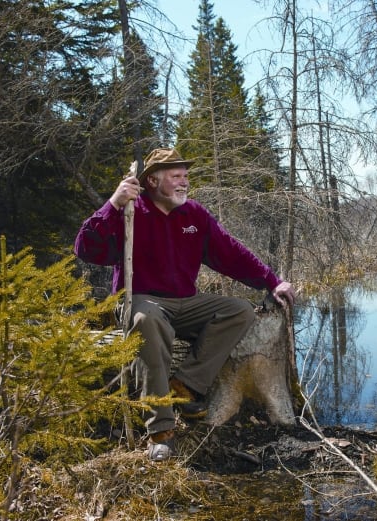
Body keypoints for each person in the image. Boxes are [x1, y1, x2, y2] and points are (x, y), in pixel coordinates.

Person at [74, 147, 295, 461]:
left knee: (239, 311)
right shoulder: (131, 213)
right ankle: (161, 429)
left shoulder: (194, 215)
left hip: (185, 302)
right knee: (146, 319)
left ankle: (185, 385)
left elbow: (231, 254)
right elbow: (85, 249)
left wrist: (272, 281)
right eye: (175, 176)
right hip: (141, 300)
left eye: (185, 176)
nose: (184, 182)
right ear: (151, 181)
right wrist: (114, 203)